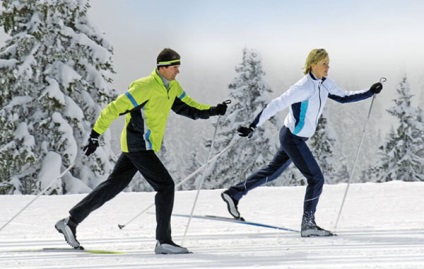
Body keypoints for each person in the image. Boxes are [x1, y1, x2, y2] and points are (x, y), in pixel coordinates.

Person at [55, 48, 228, 254]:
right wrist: (95, 135)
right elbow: (112, 109)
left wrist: (212, 111)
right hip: (138, 144)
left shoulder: (172, 87)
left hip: (142, 146)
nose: (177, 71)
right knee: (166, 186)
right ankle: (163, 241)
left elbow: (187, 106)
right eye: (174, 67)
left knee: (113, 185)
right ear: (162, 68)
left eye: (178, 67)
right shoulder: (143, 87)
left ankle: (70, 222)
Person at [221, 48, 383, 237]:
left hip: (294, 137)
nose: (327, 67)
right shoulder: (303, 87)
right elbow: (276, 104)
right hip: (292, 139)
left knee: (272, 172)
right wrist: (253, 125)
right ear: (313, 64)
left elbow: (344, 97)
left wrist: (369, 92)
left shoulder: (325, 83)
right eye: (324, 64)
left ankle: (234, 193)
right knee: (316, 178)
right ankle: (308, 225)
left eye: (328, 64)